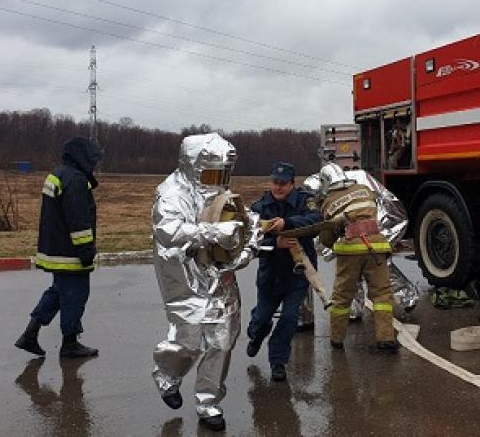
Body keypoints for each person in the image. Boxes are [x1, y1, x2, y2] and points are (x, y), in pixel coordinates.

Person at [150, 133, 258, 433]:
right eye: (212, 172)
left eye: (224, 173)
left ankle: (208, 402)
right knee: (189, 340)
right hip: (183, 275)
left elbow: (240, 220)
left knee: (222, 339)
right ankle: (166, 374)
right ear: (192, 166)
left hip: (219, 275)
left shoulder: (219, 189)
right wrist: (214, 233)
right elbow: (168, 230)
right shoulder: (171, 193)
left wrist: (247, 240)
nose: (219, 180)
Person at [15, 136, 102, 359]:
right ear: (81, 157)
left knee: (57, 292)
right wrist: (86, 251)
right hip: (71, 253)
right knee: (75, 295)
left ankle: (30, 334)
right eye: (93, 159)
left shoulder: (58, 174)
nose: (94, 165)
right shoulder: (75, 180)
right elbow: (78, 219)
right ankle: (70, 343)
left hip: (56, 250)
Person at [246, 161, 323, 383]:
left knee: (290, 318)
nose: (278, 187)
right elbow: (250, 240)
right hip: (270, 274)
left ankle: (278, 361)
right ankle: (256, 334)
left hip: (297, 274)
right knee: (262, 317)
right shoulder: (260, 208)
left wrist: (287, 223)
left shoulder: (304, 201)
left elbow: (317, 220)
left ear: (292, 184)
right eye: (275, 183)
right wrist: (274, 243)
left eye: (283, 184)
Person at [318, 162, 399, 352]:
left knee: (342, 296)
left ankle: (337, 338)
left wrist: (331, 238)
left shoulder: (329, 201)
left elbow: (328, 237)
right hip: (376, 246)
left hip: (350, 250)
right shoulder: (363, 189)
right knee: (382, 294)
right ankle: (385, 337)